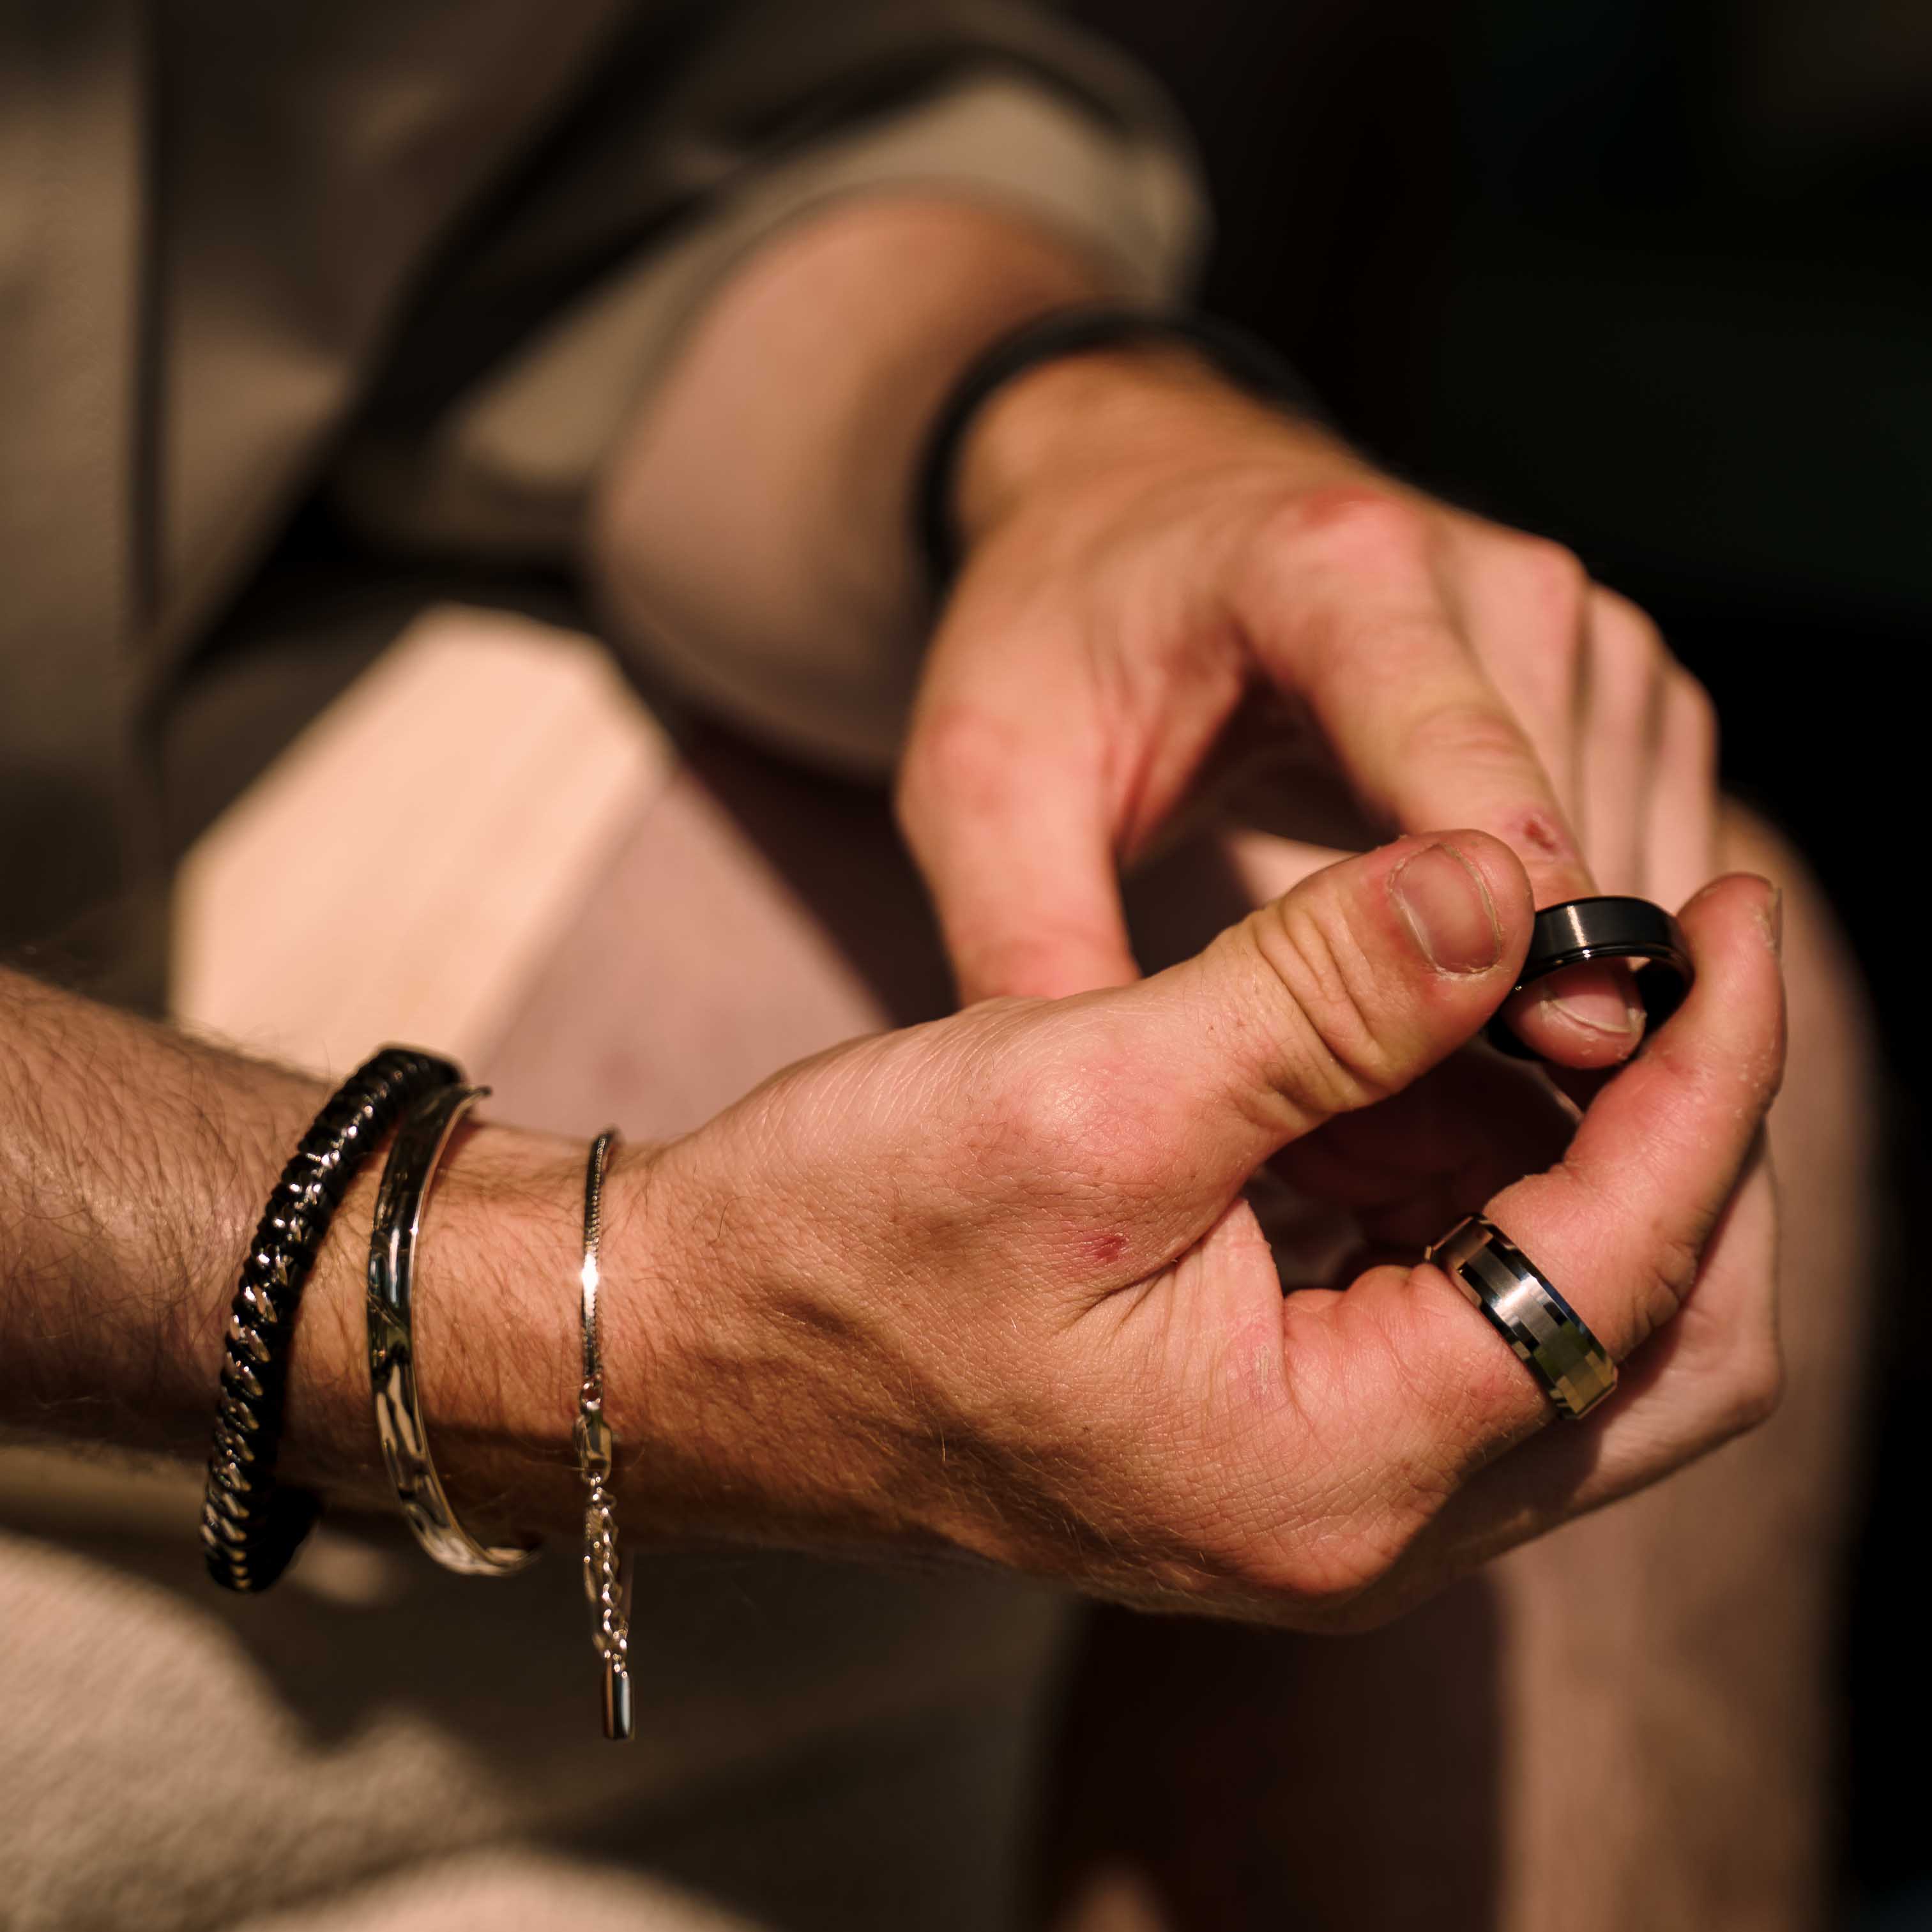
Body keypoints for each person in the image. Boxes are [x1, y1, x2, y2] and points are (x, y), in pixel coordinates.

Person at [0, 3, 1876, 1928]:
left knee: (1630, 1084)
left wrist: (1055, 436)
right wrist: (583, 1312)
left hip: (148, 739)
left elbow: (644, 181)